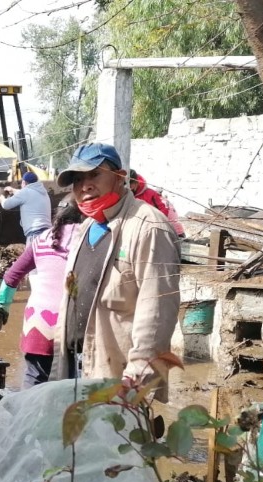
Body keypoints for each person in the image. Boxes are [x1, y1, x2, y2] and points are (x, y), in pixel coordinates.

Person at [54, 143, 180, 401]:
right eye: (77, 179)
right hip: (77, 369)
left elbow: (156, 316)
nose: (84, 186)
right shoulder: (86, 228)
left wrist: (133, 384)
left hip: (117, 380)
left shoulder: (148, 228)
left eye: (94, 175)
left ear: (120, 176)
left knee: (117, 440)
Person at [0, 200, 83, 387]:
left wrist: (1, 306)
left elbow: (11, 276)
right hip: (69, 325)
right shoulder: (87, 238)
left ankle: (26, 416)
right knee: (69, 385)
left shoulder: (41, 239)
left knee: (35, 378)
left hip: (36, 323)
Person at [0, 171, 52, 238]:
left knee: (32, 248)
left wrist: (2, 199)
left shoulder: (25, 192)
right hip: (48, 232)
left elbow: (6, 205)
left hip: (35, 232)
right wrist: (13, 190)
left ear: (23, 182)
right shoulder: (43, 192)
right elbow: (27, 194)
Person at [129, 169, 185, 237]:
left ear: (136, 183)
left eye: (130, 184)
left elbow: (163, 211)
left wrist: (154, 224)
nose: (128, 187)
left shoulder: (150, 194)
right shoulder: (129, 194)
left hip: (167, 229)